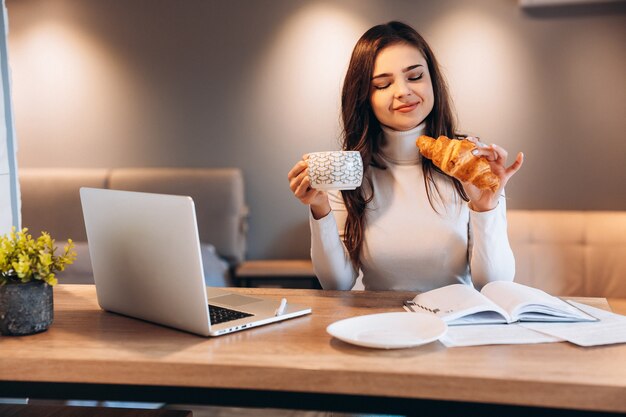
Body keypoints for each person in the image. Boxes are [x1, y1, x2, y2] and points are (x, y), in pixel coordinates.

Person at [287, 21, 524, 292]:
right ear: (364, 96)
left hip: (455, 326)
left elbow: (495, 284)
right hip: (378, 327)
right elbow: (337, 283)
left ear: (432, 81)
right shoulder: (347, 170)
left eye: (414, 77)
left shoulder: (470, 162)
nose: (403, 91)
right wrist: (320, 208)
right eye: (383, 84)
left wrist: (486, 208)